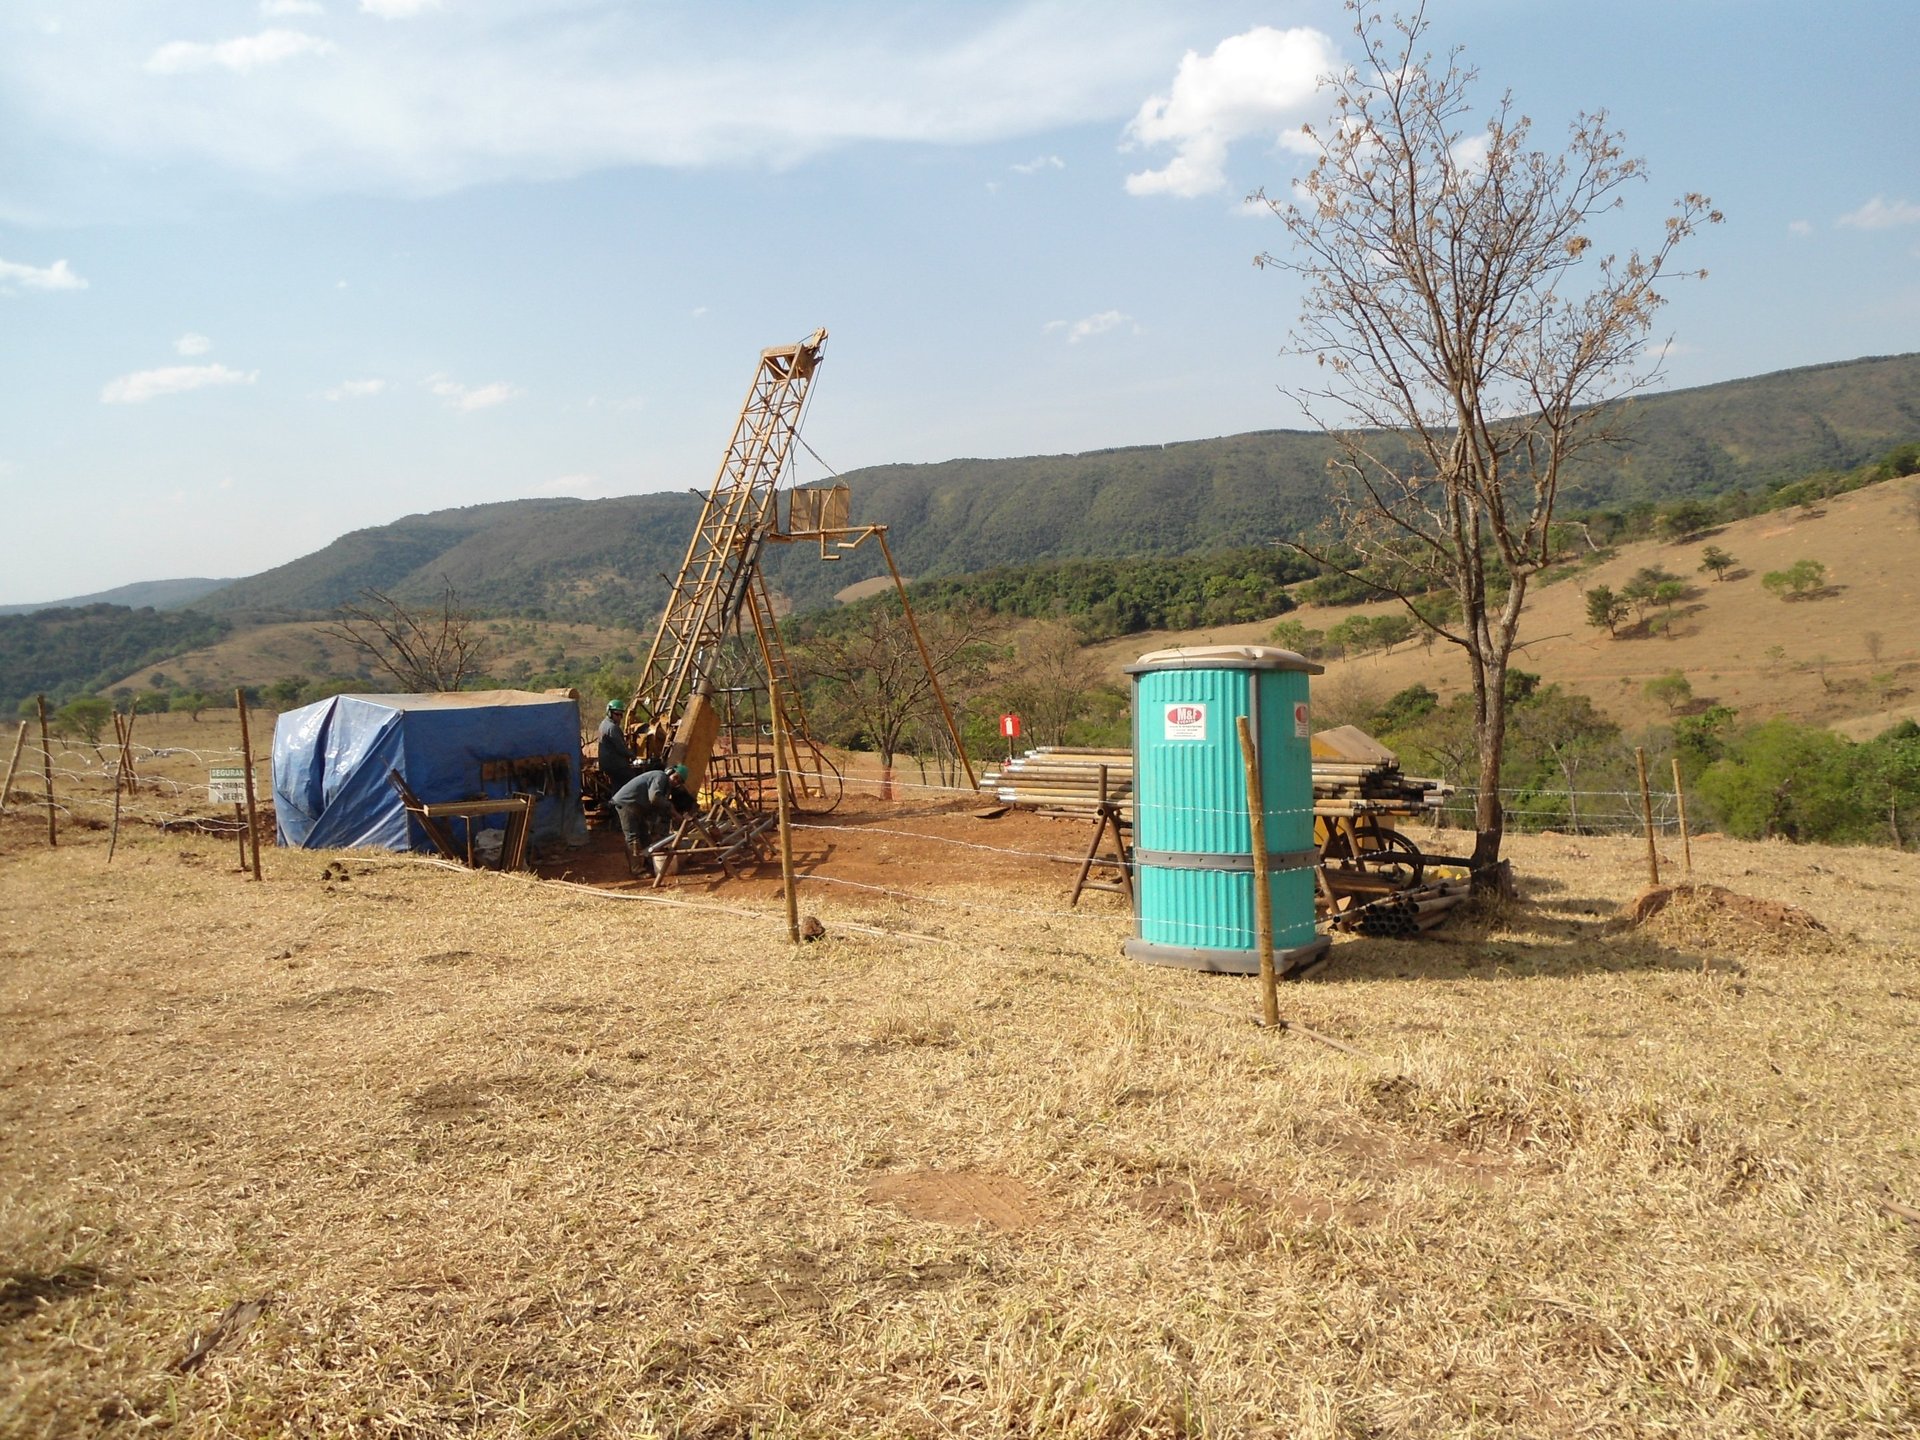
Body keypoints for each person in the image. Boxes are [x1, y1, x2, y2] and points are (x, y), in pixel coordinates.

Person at [610, 763, 696, 866]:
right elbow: (654, 798)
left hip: (637, 806)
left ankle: (649, 863)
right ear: (670, 772)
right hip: (627, 803)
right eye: (676, 777)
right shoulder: (660, 776)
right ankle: (637, 869)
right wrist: (672, 809)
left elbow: (660, 804)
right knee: (633, 838)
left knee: (645, 836)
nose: (675, 781)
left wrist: (672, 815)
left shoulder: (666, 786)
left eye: (679, 781)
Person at [596, 699, 637, 790]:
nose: (619, 717)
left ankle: (615, 802)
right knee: (634, 783)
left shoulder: (603, 724)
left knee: (617, 787)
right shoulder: (612, 728)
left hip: (607, 764)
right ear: (609, 713)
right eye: (617, 714)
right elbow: (621, 747)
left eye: (621, 715)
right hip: (616, 765)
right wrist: (632, 755)